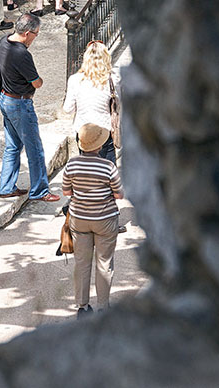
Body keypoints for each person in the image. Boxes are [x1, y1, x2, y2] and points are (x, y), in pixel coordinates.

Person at [62, 122, 124, 317]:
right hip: (104, 219)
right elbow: (119, 195)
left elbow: (66, 191)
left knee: (81, 262)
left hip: (79, 219)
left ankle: (82, 306)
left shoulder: (71, 165)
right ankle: (103, 307)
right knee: (104, 263)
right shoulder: (108, 166)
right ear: (99, 146)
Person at [0, 12, 60, 202]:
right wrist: (40, 80)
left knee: (13, 145)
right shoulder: (22, 54)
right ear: (27, 33)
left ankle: (7, 187)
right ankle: (40, 190)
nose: (35, 38)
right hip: (20, 104)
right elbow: (36, 82)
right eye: (36, 34)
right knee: (35, 149)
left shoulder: (4, 41)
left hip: (5, 99)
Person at [63, 40, 118, 164]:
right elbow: (118, 106)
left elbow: (68, 109)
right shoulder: (112, 79)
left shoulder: (75, 80)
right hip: (105, 129)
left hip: (83, 130)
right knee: (108, 169)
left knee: (87, 168)